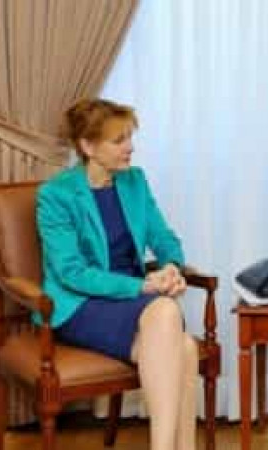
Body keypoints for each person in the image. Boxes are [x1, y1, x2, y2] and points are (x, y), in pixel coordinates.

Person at [36, 98, 198, 450]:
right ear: (88, 146)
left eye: (129, 137)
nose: (130, 147)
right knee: (168, 315)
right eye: (118, 140)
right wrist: (142, 285)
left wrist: (171, 266)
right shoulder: (56, 195)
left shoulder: (134, 181)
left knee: (184, 348)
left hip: (135, 300)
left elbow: (163, 237)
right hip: (81, 304)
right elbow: (72, 273)